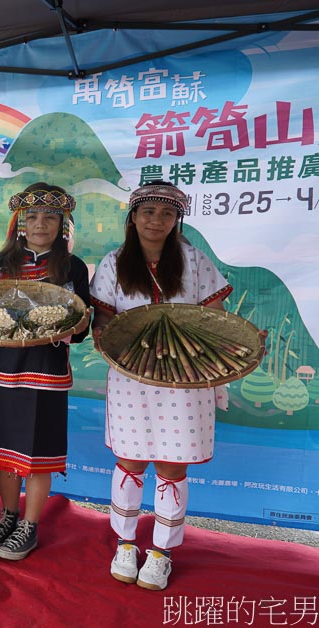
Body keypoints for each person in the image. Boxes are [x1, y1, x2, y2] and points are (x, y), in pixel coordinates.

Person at [90, 180, 233, 591]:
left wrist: (230, 346)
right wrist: (104, 335)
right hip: (132, 378)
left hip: (185, 380)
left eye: (166, 214)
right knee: (130, 463)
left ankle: (161, 552)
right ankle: (125, 543)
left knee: (172, 467)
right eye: (148, 212)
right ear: (133, 217)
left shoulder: (194, 260)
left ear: (177, 221)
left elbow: (216, 317)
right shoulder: (114, 263)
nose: (156, 221)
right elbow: (103, 319)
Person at [0, 183, 91, 561]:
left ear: (62, 224)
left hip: (46, 371)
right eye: (33, 217)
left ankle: (30, 525)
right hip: (1, 368)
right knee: (3, 447)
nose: (41, 224)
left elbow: (81, 326)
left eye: (50, 217)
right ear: (21, 223)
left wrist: (78, 325)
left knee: (38, 451)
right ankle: (8, 516)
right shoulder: (0, 263)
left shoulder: (72, 267)